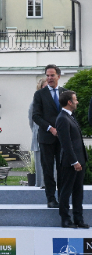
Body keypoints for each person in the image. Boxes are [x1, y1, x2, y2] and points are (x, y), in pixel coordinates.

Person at [32, 64, 67, 208]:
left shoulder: (66, 93)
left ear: (58, 76)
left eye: (52, 75)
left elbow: (71, 114)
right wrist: (50, 128)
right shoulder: (40, 94)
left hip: (63, 138)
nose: (49, 78)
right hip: (46, 137)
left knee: (63, 169)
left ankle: (63, 198)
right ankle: (51, 198)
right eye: (47, 75)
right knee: (48, 169)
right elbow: (36, 116)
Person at [56, 91, 88, 228]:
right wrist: (74, 161)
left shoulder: (70, 116)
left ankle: (78, 219)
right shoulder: (62, 118)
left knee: (78, 191)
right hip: (71, 162)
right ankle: (65, 219)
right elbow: (66, 143)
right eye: (75, 99)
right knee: (66, 190)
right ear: (69, 102)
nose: (77, 102)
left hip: (79, 160)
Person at [28, 78, 47, 187]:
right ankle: (41, 184)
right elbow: (31, 121)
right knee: (40, 162)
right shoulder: (34, 103)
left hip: (51, 137)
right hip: (38, 136)